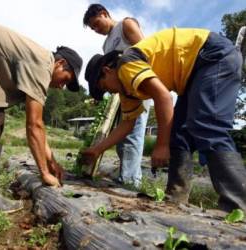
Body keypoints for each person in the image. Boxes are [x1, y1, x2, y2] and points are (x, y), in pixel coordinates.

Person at [82, 27, 246, 212]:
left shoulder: (126, 64)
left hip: (212, 55)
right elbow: (127, 125)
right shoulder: (126, 90)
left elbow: (163, 98)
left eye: (103, 87)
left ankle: (237, 206)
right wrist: (97, 150)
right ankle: (175, 199)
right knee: (178, 135)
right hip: (192, 76)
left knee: (207, 125)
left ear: (107, 70)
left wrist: (161, 146)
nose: (109, 92)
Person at [0, 22, 83, 213]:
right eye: (66, 79)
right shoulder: (42, 64)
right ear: (59, 64)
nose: (61, 87)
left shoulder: (37, 59)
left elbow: (38, 128)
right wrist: (44, 173)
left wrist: (53, 162)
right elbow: (34, 124)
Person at [83, 4, 150, 187]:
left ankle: (129, 181)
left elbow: (146, 52)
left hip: (138, 85)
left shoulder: (125, 25)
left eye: (97, 24)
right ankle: (126, 177)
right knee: (122, 135)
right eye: (93, 28)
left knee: (133, 134)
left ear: (104, 14)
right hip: (122, 92)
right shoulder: (106, 44)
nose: (97, 29)